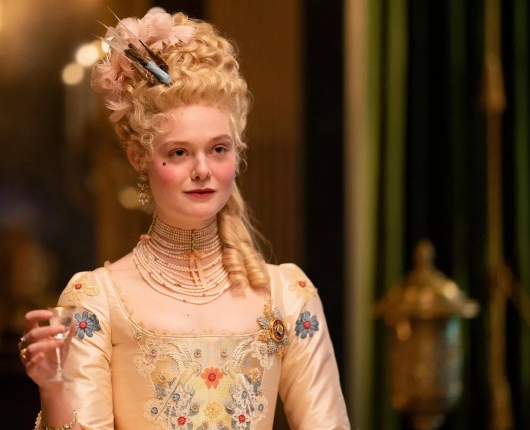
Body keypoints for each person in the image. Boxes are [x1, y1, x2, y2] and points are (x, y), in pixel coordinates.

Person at [19, 8, 350, 430]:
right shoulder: (96, 300)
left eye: (218, 149)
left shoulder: (288, 295)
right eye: (179, 152)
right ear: (139, 158)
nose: (202, 170)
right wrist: (53, 388)